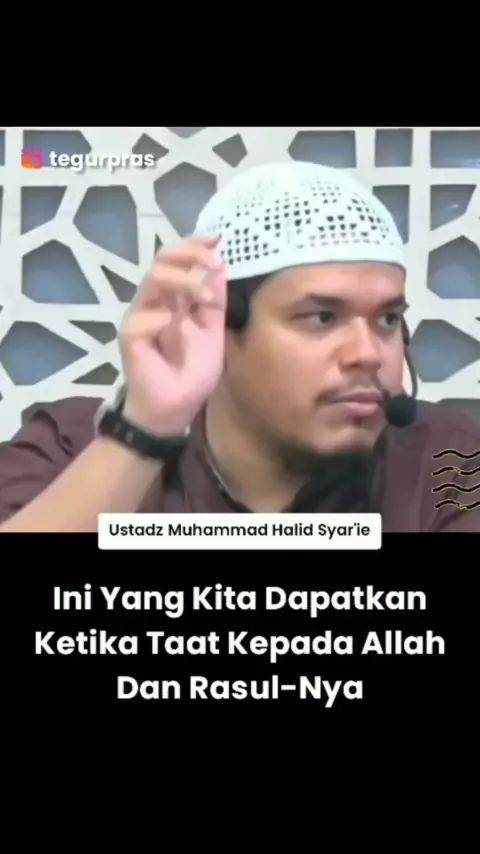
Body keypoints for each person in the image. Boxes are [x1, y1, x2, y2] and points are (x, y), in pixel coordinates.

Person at [0, 161, 479, 532]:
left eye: (388, 319)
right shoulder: (73, 448)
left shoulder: (449, 462)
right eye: (323, 318)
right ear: (220, 326)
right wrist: (143, 433)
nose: (369, 353)